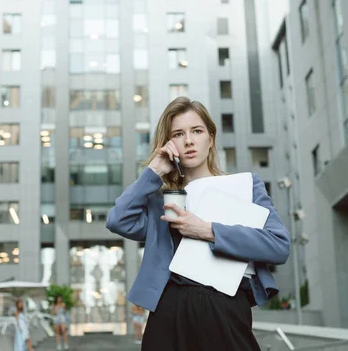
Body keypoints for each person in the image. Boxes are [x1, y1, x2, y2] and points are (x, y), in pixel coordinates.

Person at [106, 97, 291, 351]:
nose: (189, 140)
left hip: (224, 306)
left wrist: (208, 230)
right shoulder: (161, 200)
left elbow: (279, 246)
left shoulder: (245, 186)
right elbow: (118, 220)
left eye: (197, 131)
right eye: (178, 134)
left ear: (210, 138)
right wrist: (155, 170)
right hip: (169, 309)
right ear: (169, 143)